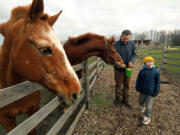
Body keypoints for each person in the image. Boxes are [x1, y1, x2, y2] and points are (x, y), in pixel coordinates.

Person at [113, 30, 136, 108]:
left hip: (129, 69)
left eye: (127, 39)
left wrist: (131, 61)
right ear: (121, 36)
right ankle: (117, 100)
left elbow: (134, 54)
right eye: (124, 38)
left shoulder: (132, 44)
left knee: (127, 84)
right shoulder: (115, 44)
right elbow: (112, 58)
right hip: (118, 70)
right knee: (118, 85)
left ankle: (126, 100)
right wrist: (119, 64)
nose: (126, 40)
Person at [136, 56, 160, 124]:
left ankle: (147, 117)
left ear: (153, 62)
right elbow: (138, 80)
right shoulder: (142, 71)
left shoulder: (156, 72)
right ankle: (142, 106)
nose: (150, 63)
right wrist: (138, 87)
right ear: (145, 63)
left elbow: (158, 83)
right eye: (148, 62)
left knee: (149, 106)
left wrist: (156, 91)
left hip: (151, 92)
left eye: (151, 61)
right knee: (140, 101)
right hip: (142, 91)